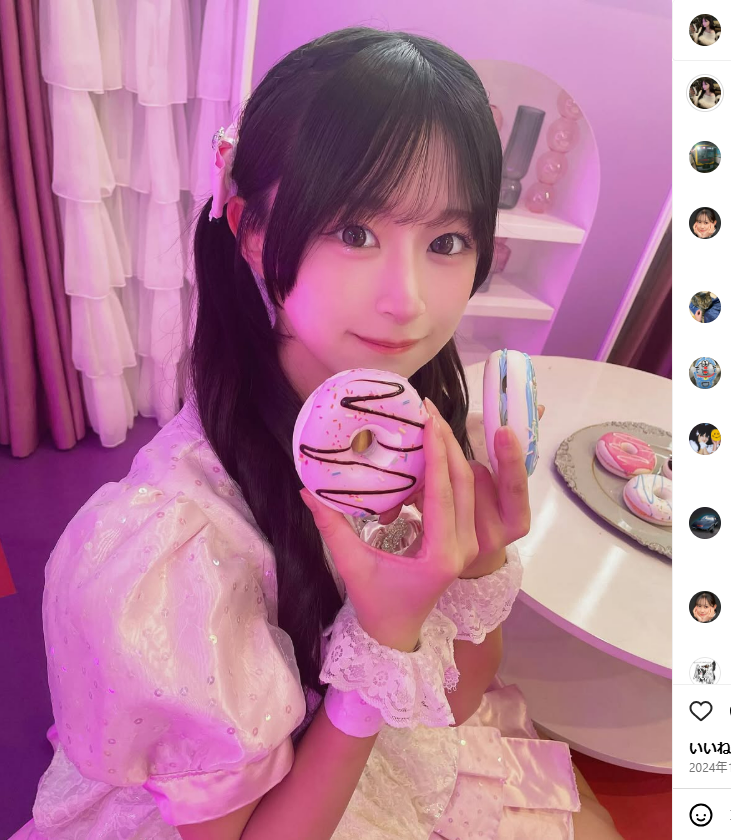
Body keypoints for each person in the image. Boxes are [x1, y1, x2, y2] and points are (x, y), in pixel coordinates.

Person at [10, 28, 622, 840]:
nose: (407, 300)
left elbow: (454, 702)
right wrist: (382, 641)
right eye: (355, 232)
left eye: (445, 242)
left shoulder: (424, 435)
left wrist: (477, 567)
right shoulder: (172, 553)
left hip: (372, 757)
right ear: (250, 229)